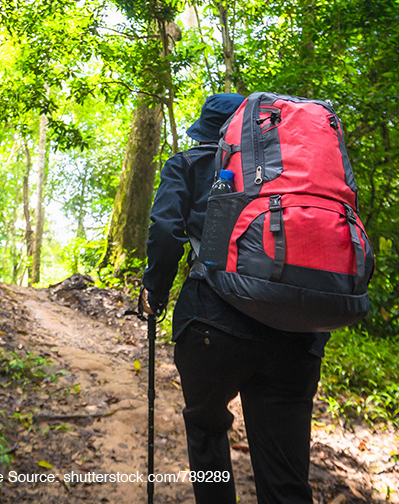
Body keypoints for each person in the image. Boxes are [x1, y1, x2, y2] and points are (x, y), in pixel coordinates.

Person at [139, 92, 328, 504]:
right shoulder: (291, 171)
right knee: (285, 475)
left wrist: (154, 291)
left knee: (207, 434)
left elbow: (166, 232)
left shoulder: (188, 164)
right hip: (297, 331)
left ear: (207, 131)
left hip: (213, 323)